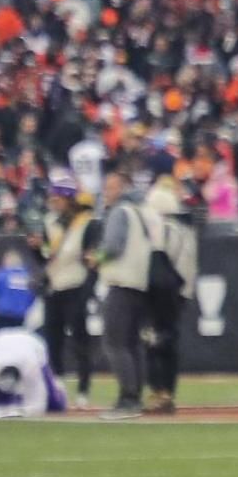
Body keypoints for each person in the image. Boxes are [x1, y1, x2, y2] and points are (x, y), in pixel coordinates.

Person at [94, 171, 157, 420]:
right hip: (139, 284)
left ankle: (128, 398)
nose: (105, 194)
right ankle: (134, 396)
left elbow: (112, 246)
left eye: (109, 188)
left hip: (121, 283)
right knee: (132, 344)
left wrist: (95, 257)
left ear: (121, 189)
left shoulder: (120, 212)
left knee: (115, 342)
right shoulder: (142, 212)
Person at [33, 182, 98, 408]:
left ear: (69, 199)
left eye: (57, 197)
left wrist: (88, 291)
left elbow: (91, 259)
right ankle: (57, 386)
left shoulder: (85, 223)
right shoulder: (49, 222)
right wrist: (36, 248)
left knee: (80, 340)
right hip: (54, 286)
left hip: (76, 285)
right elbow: (46, 255)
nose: (53, 201)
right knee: (54, 340)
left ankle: (83, 389)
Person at [140, 179, 198, 416]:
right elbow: (188, 266)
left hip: (158, 292)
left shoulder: (158, 229)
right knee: (169, 342)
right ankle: (168, 393)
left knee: (152, 342)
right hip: (178, 292)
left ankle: (158, 392)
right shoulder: (187, 229)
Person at [0, 329, 66, 419]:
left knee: (55, 405)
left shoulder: (30, 364)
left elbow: (38, 400)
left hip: (33, 344)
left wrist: (25, 412)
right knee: (0, 407)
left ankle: (58, 387)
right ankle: (7, 401)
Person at [0, 249, 37, 333]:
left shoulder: (0, 275)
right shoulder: (28, 277)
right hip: (20, 315)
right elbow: (32, 296)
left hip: (2, 313)